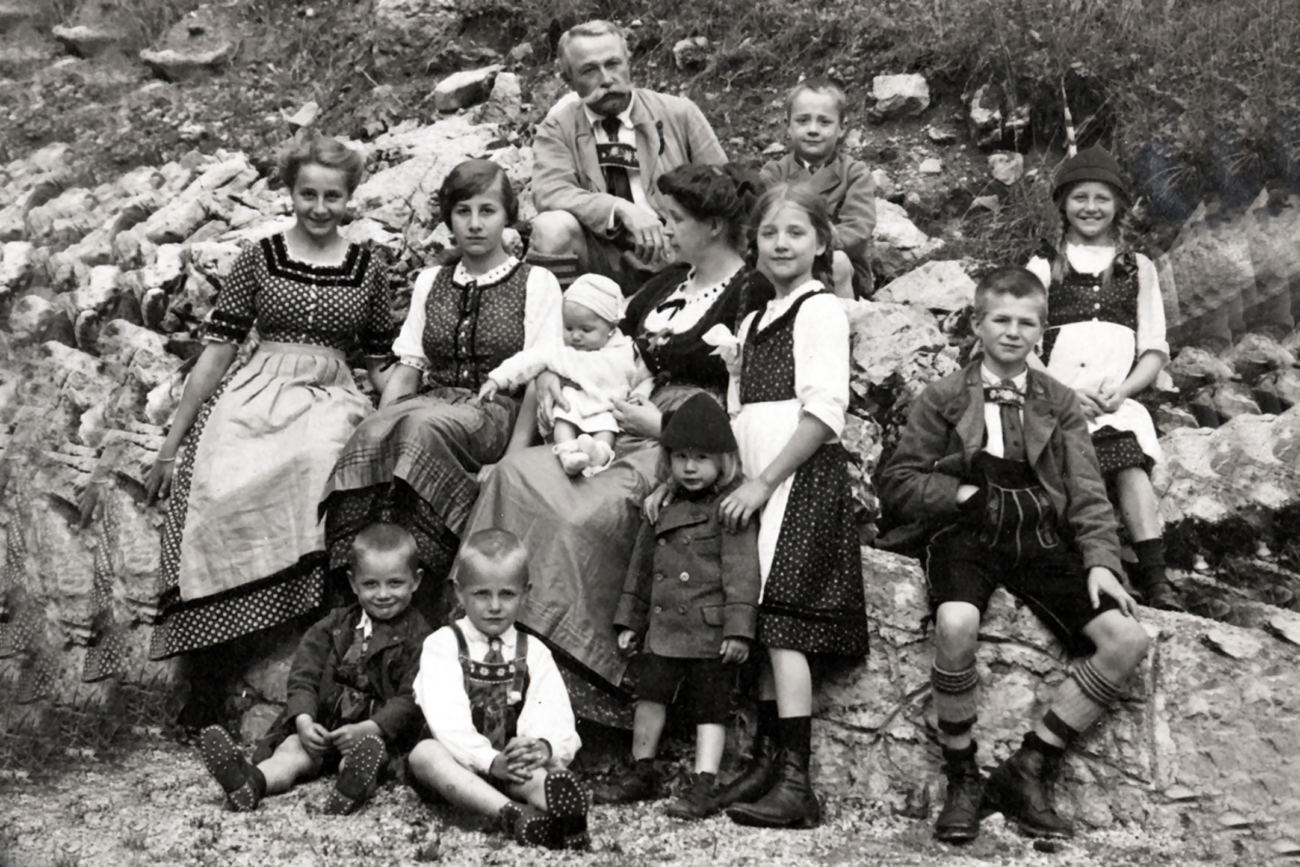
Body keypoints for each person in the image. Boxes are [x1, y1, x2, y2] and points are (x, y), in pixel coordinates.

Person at [460, 164, 769, 695]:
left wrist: (668, 426)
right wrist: (556, 373)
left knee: (586, 514)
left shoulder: (750, 289)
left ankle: (569, 667)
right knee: (512, 474)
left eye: (673, 220)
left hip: (684, 439)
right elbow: (603, 346)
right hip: (610, 415)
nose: (663, 230)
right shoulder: (668, 283)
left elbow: (752, 395)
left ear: (714, 226)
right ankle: (484, 640)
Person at [878, 267, 1150, 843]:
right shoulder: (943, 396)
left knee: (1126, 640)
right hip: (967, 532)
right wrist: (960, 494)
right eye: (1000, 320)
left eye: (1026, 323)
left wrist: (1101, 559)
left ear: (1042, 334)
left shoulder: (1060, 403)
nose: (1012, 332)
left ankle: (1030, 765)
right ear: (977, 324)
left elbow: (1086, 491)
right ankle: (961, 776)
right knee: (956, 620)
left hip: (1039, 537)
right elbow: (898, 482)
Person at [147, 131, 393, 673]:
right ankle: (212, 661)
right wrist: (171, 445)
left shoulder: (368, 268)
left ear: (350, 197)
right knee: (218, 475)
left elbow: (379, 362)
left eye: (333, 197)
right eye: (309, 195)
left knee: (317, 461)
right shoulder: (259, 258)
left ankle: (309, 646)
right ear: (290, 193)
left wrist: (404, 412)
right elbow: (216, 354)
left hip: (329, 393)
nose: (321, 208)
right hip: (256, 386)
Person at [321, 159, 563, 618]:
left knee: (418, 430)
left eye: (487, 211)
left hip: (495, 410)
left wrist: (511, 459)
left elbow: (539, 373)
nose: (474, 224)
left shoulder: (537, 282)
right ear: (448, 218)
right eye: (463, 211)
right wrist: (377, 424)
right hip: (433, 400)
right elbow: (409, 370)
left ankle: (424, 589)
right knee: (373, 435)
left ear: (508, 216)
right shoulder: (431, 280)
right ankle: (355, 589)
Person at [709, 185, 867, 830]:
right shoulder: (754, 320)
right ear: (754, 244)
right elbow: (738, 412)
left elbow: (825, 412)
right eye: (770, 233)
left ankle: (799, 782)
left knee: (787, 627)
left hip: (797, 480)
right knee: (765, 622)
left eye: (796, 233)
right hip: (755, 480)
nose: (781, 244)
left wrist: (765, 481)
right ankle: (768, 762)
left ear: (822, 243)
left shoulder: (820, 310)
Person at [1025, 145, 1184, 612]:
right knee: (1075, 468)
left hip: (1116, 401)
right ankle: (1102, 569)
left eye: (1101, 198)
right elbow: (1025, 349)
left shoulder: (1137, 267)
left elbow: (1154, 349)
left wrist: (1123, 391)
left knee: (1129, 465)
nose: (1090, 208)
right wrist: (1065, 394)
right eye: (1079, 198)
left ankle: (1156, 578)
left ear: (1118, 205)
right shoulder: (1043, 265)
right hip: (1057, 400)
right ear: (1062, 205)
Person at [195, 523, 429, 814]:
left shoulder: (421, 639)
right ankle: (252, 783)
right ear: (353, 583)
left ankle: (351, 788)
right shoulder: (331, 626)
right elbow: (304, 675)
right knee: (291, 750)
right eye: (371, 584)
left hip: (375, 734)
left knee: (365, 758)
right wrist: (305, 721)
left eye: (395, 583)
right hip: (323, 730)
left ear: (415, 581)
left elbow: (412, 697)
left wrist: (372, 727)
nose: (383, 594)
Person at [606, 393, 760, 818]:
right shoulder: (661, 506)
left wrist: (738, 629)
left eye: (701, 458)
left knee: (711, 707)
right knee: (650, 696)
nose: (690, 467)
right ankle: (642, 770)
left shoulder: (730, 509)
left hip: (711, 633)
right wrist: (630, 621)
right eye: (681, 457)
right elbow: (642, 568)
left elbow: (742, 572)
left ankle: (704, 782)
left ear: (723, 461)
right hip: (663, 630)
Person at [407, 530, 589, 850]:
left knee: (538, 772)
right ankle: (512, 814)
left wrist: (540, 747)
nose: (494, 606)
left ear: (525, 594)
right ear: (459, 593)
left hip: (511, 769)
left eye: (507, 594)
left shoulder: (533, 651)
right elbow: (446, 719)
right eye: (481, 594)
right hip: (459, 769)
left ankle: (565, 818)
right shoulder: (443, 644)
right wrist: (489, 761)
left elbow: (554, 711)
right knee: (424, 755)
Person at [528, 19, 728, 294]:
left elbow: (725, 185)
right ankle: (566, 323)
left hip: (677, 250)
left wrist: (676, 225)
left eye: (613, 64)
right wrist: (618, 209)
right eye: (589, 70)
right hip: (601, 259)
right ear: (569, 80)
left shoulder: (679, 113)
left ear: (629, 62)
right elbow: (549, 191)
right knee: (551, 227)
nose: (606, 79)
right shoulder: (558, 128)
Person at [480, 273, 652, 476]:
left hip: (606, 406)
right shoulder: (559, 349)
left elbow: (644, 376)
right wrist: (496, 379)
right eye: (569, 328)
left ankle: (599, 454)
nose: (576, 336)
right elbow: (527, 360)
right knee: (564, 414)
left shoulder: (625, 350)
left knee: (607, 426)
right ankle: (568, 453)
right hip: (572, 404)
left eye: (586, 329)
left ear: (611, 327)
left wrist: (641, 395)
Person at [760, 78, 875, 299]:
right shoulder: (774, 173)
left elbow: (859, 228)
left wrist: (816, 245)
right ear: (788, 125)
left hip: (837, 262)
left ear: (842, 128)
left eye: (824, 122)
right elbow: (760, 225)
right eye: (803, 121)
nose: (813, 130)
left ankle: (845, 326)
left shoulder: (854, 174)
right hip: (784, 256)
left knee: (838, 263)